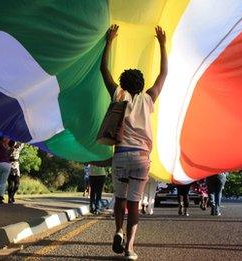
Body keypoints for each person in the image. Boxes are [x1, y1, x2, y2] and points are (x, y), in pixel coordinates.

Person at [100, 24, 168, 260]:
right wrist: (162, 43)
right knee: (134, 204)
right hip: (141, 157)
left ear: (124, 83)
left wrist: (109, 41)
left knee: (120, 199)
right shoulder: (148, 99)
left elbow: (103, 70)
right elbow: (163, 75)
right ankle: (129, 248)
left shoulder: (119, 95)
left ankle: (118, 230)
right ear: (141, 85)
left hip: (120, 154)